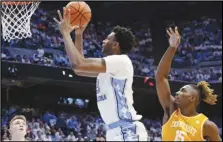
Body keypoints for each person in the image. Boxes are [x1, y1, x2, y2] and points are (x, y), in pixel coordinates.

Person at [54, 8, 148, 141]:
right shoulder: (110, 67)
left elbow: (78, 64)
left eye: (107, 39)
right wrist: (79, 34)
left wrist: (65, 33)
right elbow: (79, 69)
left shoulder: (121, 61)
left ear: (115, 45)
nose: (103, 41)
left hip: (127, 130)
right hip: (115, 130)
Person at [155, 26, 222, 141]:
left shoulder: (207, 126)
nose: (177, 93)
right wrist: (172, 48)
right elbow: (161, 78)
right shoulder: (171, 111)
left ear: (192, 98)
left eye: (183, 91)